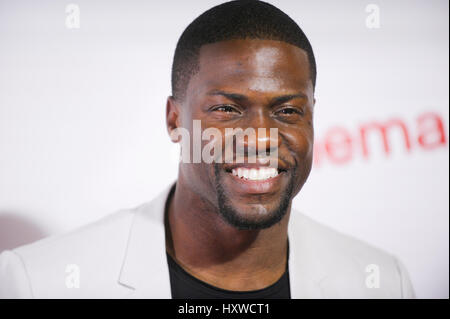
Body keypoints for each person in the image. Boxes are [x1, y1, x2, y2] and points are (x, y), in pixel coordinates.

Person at [0, 0, 415, 298]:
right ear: (174, 120)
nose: (260, 138)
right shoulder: (38, 282)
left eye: (287, 110)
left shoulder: (380, 280)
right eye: (226, 109)